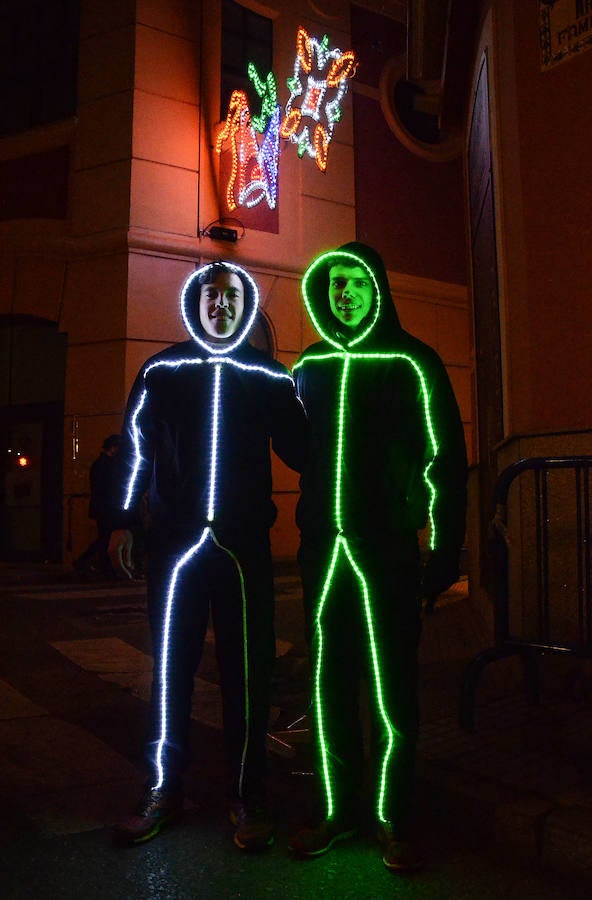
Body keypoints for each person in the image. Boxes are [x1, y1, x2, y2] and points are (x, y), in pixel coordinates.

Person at [110, 260, 309, 851]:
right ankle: (163, 787)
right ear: (195, 303)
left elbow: (305, 451)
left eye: (230, 298)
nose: (219, 307)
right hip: (176, 546)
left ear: (244, 307)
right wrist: (122, 521)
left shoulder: (269, 376)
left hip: (243, 546)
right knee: (171, 669)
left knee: (248, 673)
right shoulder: (163, 370)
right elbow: (136, 447)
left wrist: (323, 397)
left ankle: (249, 797)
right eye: (210, 297)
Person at [288, 242, 467, 872]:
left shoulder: (411, 361)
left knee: (393, 686)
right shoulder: (308, 365)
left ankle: (395, 818)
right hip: (324, 550)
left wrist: (444, 544)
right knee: (328, 682)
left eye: (355, 284)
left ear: (377, 290)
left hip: (386, 546)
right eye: (334, 285)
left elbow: (444, 457)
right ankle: (337, 811)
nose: (343, 295)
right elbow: (298, 444)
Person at [74, 434, 122, 578]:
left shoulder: (101, 463)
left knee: (105, 537)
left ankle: (100, 565)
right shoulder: (104, 464)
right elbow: (105, 487)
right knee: (105, 537)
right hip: (106, 506)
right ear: (112, 448)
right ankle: (92, 562)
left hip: (103, 506)